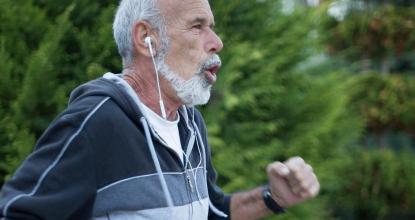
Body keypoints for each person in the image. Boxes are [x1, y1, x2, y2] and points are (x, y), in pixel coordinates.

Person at [0, 0, 320, 219]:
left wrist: (273, 198)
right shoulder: (97, 121)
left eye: (212, 26)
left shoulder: (189, 123)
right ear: (146, 38)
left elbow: (210, 211)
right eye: (198, 26)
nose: (217, 41)